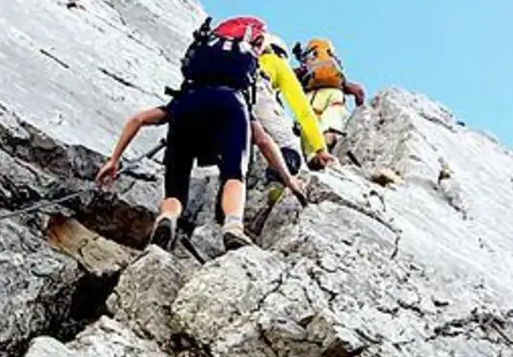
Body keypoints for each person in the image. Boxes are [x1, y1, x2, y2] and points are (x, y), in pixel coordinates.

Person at [95, 16, 307, 252]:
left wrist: (113, 160)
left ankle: (167, 218)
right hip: (231, 108)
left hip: (187, 108)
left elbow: (138, 119)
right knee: (234, 175)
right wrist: (289, 180)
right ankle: (233, 227)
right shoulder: (241, 97)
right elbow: (264, 141)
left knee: (176, 186)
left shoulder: (186, 92)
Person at [252, 34, 334, 206]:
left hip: (226, 99)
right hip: (257, 94)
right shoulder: (276, 61)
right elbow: (303, 111)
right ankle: (277, 189)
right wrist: (321, 149)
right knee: (290, 148)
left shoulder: (241, 61)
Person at [294, 37, 366, 155]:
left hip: (310, 98)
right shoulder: (335, 73)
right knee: (334, 113)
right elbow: (359, 91)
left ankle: (313, 156)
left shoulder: (304, 70)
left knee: (308, 125)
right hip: (334, 93)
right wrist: (360, 114)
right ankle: (329, 135)